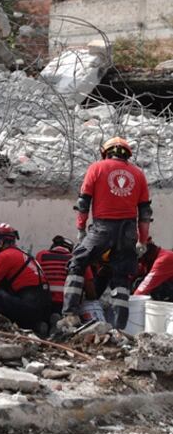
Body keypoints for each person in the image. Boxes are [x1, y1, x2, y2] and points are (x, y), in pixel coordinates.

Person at [63, 137, 152, 329]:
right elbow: (145, 213)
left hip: (103, 227)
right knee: (121, 277)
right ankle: (119, 327)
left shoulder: (97, 168)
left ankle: (70, 314)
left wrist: (80, 228)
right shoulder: (138, 174)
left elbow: (83, 202)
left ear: (106, 152)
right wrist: (142, 241)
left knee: (78, 262)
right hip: (128, 232)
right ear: (127, 154)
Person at [0, 223, 50, 332]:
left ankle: (5, 327)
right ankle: (35, 325)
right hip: (42, 306)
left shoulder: (5, 256)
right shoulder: (22, 253)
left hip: (29, 305)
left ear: (0, 242)